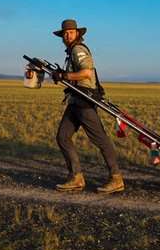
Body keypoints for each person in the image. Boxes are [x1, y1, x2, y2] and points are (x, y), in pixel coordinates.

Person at [51, 18, 124, 194]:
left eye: (70, 32)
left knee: (100, 140)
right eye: (65, 33)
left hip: (84, 100)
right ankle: (76, 177)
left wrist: (65, 76)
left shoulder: (78, 49)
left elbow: (85, 73)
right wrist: (61, 75)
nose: (67, 35)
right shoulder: (70, 51)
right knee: (63, 137)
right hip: (75, 101)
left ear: (77, 33)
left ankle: (116, 178)